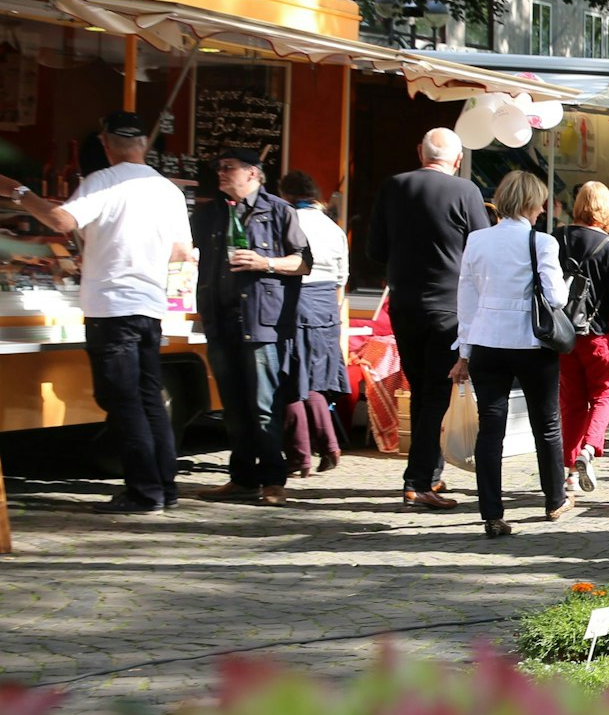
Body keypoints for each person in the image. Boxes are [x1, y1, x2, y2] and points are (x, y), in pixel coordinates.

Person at [2, 111, 191, 513]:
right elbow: (180, 251)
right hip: (149, 306)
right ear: (144, 145)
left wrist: (17, 192)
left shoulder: (103, 180)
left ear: (106, 145)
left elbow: (59, 220)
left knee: (123, 402)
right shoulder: (168, 190)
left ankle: (144, 493)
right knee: (149, 400)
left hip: (112, 308)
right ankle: (165, 487)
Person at [368, 128, 489, 510]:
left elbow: (375, 249)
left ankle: (430, 473)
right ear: (455, 159)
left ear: (421, 152)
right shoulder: (466, 192)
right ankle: (417, 481)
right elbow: (481, 248)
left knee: (421, 389)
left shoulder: (394, 186)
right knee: (436, 393)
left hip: (404, 305)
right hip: (447, 308)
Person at [449, 170, 572, 537]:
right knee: (546, 424)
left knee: (490, 429)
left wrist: (465, 352)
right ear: (534, 203)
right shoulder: (543, 242)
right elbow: (556, 298)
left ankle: (491, 511)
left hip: (487, 341)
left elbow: (466, 301)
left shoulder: (477, 240)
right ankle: (554, 499)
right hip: (532, 343)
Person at [192, 148, 312, 507]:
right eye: (218, 167)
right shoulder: (211, 213)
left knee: (264, 406)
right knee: (232, 406)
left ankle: (273, 480)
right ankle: (241, 478)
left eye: (228, 167)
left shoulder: (279, 211)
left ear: (253, 173)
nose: (221, 173)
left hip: (262, 324)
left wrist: (266, 262)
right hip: (221, 321)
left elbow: (303, 263)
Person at [278, 171, 349, 476]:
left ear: (285, 195)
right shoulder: (333, 228)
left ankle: (298, 456)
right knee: (316, 380)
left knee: (289, 380)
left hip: (296, 301)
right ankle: (330, 445)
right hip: (327, 308)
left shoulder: (285, 220)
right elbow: (342, 278)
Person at [557, 180, 609, 494]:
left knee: (570, 403)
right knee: (603, 396)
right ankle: (589, 448)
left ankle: (568, 470)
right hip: (599, 336)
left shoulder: (557, 238)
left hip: (562, 334)